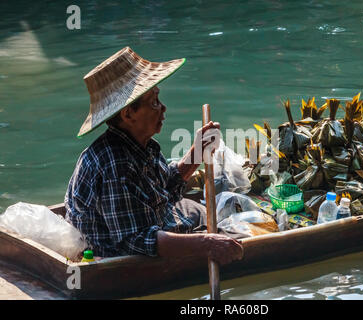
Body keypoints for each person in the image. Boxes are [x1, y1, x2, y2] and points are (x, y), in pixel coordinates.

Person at [65, 47, 243, 265]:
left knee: (221, 212)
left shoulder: (143, 145)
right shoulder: (115, 163)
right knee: (236, 238)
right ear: (128, 114)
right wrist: (207, 243)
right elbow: (137, 239)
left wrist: (197, 153)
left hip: (158, 222)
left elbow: (163, 189)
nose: (163, 108)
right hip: (124, 257)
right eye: (154, 102)